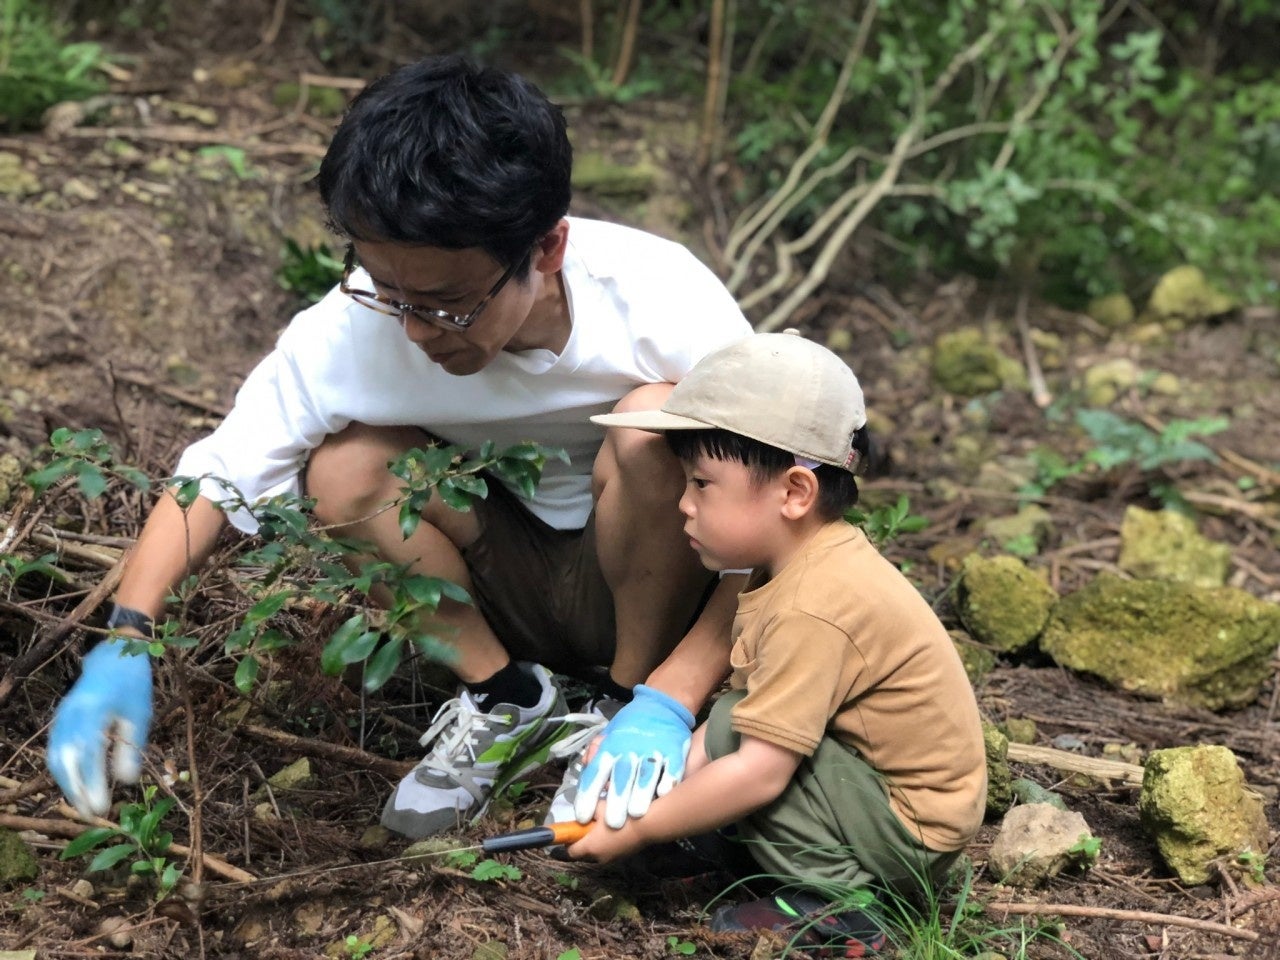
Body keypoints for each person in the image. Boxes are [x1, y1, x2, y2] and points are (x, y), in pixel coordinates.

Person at [45, 53, 753, 840]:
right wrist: (128, 632)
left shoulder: (664, 300)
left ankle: (621, 705)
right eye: (391, 293)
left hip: (650, 578)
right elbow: (219, 472)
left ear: (547, 248)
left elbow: (789, 509)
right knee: (344, 466)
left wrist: (673, 698)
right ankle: (507, 696)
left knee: (653, 424)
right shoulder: (357, 326)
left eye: (448, 304)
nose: (416, 332)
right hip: (498, 584)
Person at [566, 332, 987, 953]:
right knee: (738, 719)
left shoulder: (815, 605)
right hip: (873, 796)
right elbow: (737, 718)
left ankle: (849, 903)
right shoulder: (797, 565)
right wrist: (660, 776)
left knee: (750, 749)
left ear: (794, 492)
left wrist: (639, 829)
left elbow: (762, 772)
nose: (682, 505)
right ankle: (757, 848)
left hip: (911, 833)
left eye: (702, 484)